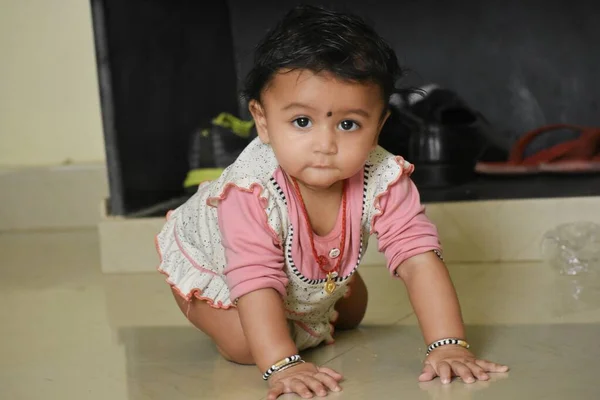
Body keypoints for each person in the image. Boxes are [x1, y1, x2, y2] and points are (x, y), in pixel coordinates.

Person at [155, 5, 508, 399]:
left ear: (378, 127)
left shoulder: (385, 178)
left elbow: (418, 258)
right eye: (302, 122)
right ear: (263, 120)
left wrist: (447, 344)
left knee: (353, 314)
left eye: (348, 124)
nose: (325, 145)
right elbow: (253, 279)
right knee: (245, 345)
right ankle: (228, 318)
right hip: (222, 271)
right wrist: (282, 364)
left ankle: (310, 291)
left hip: (298, 271)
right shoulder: (249, 192)